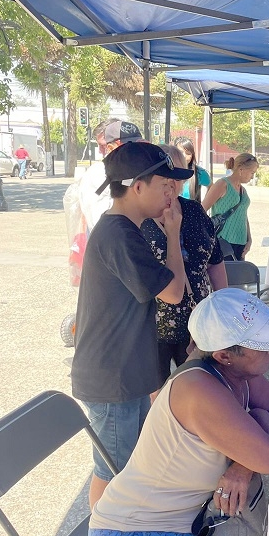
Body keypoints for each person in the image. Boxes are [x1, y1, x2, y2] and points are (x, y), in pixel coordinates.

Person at [89, 288, 269, 536]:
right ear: (225, 355)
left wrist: (242, 465)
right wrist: (259, 423)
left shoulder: (236, 371)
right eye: (261, 342)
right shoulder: (199, 390)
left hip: (187, 526)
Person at [72, 141, 193, 509]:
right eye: (165, 184)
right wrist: (173, 233)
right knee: (113, 471)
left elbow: (176, 289)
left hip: (127, 372)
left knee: (127, 466)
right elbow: (174, 292)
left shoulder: (127, 229)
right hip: (113, 376)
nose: (172, 191)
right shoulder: (120, 234)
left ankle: (118, 534)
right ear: (137, 186)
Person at [140, 145, 228, 390]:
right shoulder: (140, 219)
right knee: (157, 396)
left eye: (179, 175)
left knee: (200, 389)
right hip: (152, 327)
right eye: (167, 178)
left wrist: (220, 309)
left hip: (197, 321)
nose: (173, 184)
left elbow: (215, 261)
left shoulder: (194, 210)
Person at [201, 153, 258, 260]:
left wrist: (249, 239)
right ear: (241, 169)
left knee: (237, 275)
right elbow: (202, 209)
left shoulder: (243, 190)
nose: (252, 177)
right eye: (252, 173)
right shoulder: (222, 184)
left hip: (241, 242)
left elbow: (243, 215)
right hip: (223, 241)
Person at [174, 136, 211, 201]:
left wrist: (204, 206)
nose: (184, 156)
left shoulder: (199, 172)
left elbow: (212, 188)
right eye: (181, 152)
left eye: (188, 153)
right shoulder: (167, 170)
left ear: (192, 156)